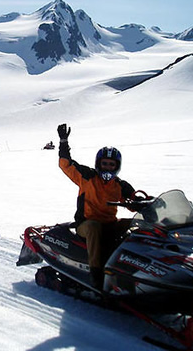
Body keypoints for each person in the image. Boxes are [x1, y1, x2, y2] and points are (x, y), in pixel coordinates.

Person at [57, 123, 138, 289]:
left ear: (117, 166)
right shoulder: (87, 176)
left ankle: (135, 268)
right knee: (94, 227)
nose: (108, 167)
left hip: (109, 225)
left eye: (111, 164)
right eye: (105, 164)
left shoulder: (120, 185)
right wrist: (63, 142)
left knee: (135, 224)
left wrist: (147, 203)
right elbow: (66, 165)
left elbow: (133, 200)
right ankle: (96, 274)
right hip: (86, 225)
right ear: (98, 164)